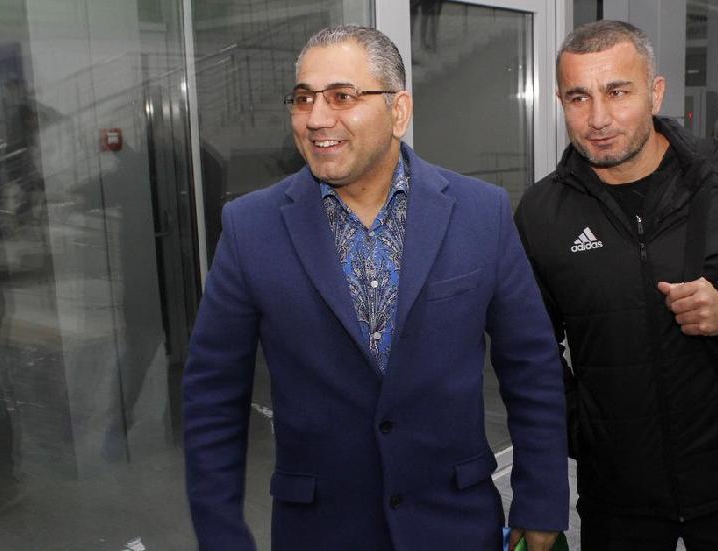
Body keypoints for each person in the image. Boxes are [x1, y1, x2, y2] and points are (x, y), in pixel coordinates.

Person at [183, 25, 569, 551]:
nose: (316, 118)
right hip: (319, 532)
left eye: (342, 96)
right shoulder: (251, 227)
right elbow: (212, 397)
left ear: (398, 111)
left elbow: (531, 367)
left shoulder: (481, 212)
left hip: (454, 524)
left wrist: (541, 500)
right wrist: (221, 536)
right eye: (303, 98)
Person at [514, 20, 718, 551]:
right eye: (578, 98)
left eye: (618, 92)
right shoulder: (543, 212)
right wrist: (584, 428)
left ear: (655, 93)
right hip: (617, 495)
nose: (598, 119)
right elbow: (531, 349)